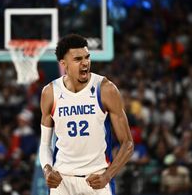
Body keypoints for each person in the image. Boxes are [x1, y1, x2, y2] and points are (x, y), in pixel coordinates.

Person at [38, 34, 134, 195]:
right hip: (62, 181)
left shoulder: (105, 89)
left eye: (87, 57)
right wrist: (47, 170)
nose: (85, 63)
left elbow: (128, 144)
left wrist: (107, 176)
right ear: (64, 64)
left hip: (96, 179)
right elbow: (45, 144)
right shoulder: (50, 93)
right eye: (77, 59)